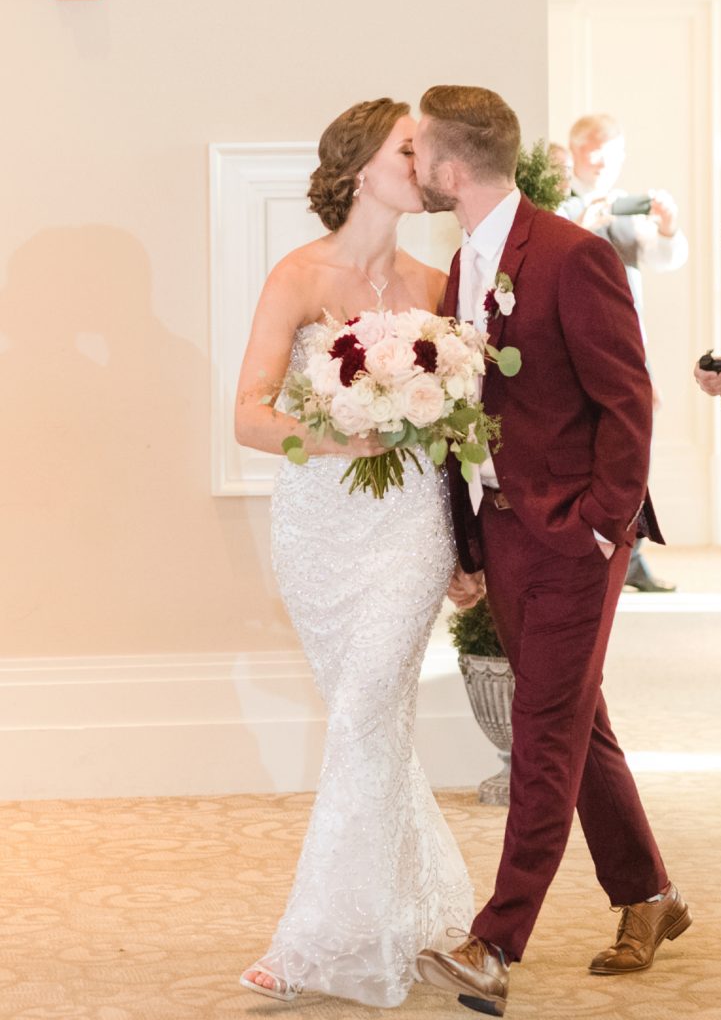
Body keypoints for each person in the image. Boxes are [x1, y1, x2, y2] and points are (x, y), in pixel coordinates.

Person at [411, 85, 690, 1018]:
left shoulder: (574, 256)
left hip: (574, 534)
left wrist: (602, 525)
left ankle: (494, 944)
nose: (414, 165)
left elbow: (628, 400)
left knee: (542, 730)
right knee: (574, 720)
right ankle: (649, 894)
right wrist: (466, 536)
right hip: (504, 529)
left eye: (419, 151)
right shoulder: (465, 263)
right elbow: (467, 411)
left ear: (451, 168)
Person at [234, 97, 473, 1008]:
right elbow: (249, 415)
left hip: (412, 525)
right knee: (372, 724)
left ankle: (312, 943)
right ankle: (410, 907)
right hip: (318, 528)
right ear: (360, 167)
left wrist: (470, 547)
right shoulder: (299, 276)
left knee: (365, 709)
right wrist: (337, 434)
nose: (424, 162)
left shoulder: (437, 284)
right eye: (408, 149)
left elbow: (461, 437)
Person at [565, 112, 688, 593]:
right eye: (594, 149)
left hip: (627, 342)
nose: (602, 161)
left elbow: (663, 259)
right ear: (575, 150)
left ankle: (630, 553)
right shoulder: (558, 204)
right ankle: (586, 546)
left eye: (612, 152)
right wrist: (582, 222)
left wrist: (669, 228)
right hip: (572, 345)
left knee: (633, 445)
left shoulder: (626, 208)